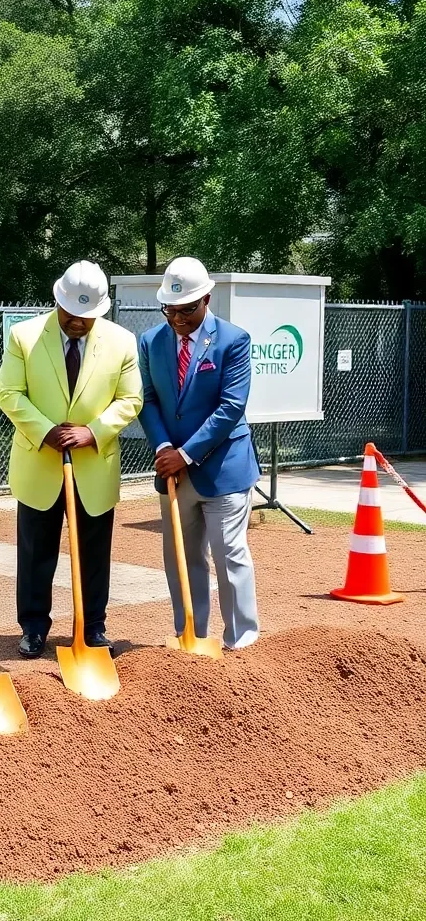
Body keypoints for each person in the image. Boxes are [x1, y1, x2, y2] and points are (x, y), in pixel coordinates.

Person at [0, 261, 142, 659]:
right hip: (40, 465)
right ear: (57, 301)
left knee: (95, 554)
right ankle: (32, 627)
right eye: (72, 315)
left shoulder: (122, 341)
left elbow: (131, 400)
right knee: (35, 553)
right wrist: (47, 430)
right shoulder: (24, 336)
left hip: (94, 466)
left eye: (88, 316)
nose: (79, 322)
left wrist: (92, 431)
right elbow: (10, 393)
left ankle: (92, 627)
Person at [137, 256, 260, 650]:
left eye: (186, 309)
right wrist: (163, 448)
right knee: (181, 561)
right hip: (173, 471)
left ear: (207, 299)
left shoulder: (233, 340)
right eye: (169, 310)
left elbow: (230, 407)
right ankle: (191, 638)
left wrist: (186, 455)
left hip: (223, 469)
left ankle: (241, 641)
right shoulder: (151, 342)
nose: (177, 318)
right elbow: (149, 400)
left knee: (229, 558)